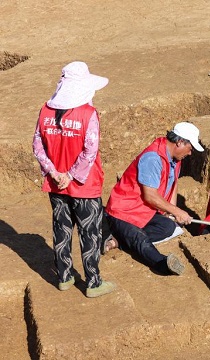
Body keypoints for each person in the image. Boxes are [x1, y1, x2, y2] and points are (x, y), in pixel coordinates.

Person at [32, 61, 116, 298]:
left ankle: (64, 277)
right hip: (84, 185)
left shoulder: (45, 111)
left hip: (55, 184)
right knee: (90, 233)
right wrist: (70, 176)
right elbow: (90, 150)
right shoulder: (88, 114)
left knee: (62, 229)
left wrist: (54, 173)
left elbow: (37, 145)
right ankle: (93, 282)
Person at [104, 122, 203, 275]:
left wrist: (172, 213)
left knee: (169, 226)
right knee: (140, 238)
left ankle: (118, 241)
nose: (190, 153)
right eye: (190, 148)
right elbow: (149, 195)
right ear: (180, 142)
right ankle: (162, 264)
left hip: (144, 211)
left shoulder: (175, 160)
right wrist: (177, 211)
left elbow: (173, 184)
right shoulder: (153, 158)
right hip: (123, 212)